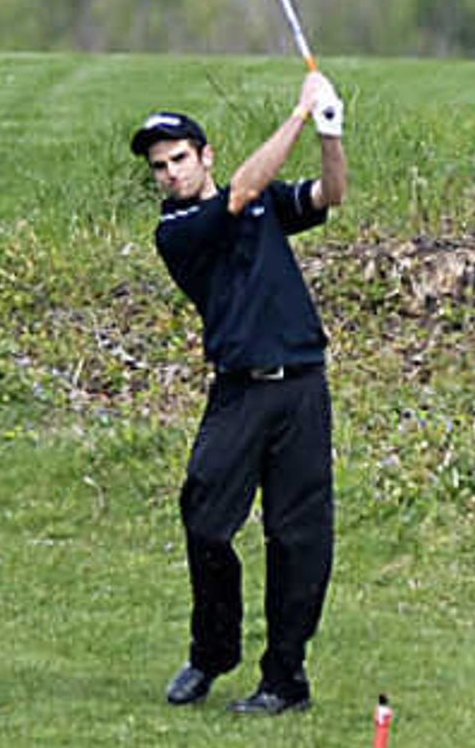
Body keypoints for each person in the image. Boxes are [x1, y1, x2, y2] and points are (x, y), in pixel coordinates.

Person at [132, 67, 346, 715]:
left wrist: (330, 131)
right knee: (205, 517)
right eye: (159, 166)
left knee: (298, 536)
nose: (169, 173)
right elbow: (244, 189)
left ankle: (285, 681)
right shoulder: (178, 229)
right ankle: (211, 653)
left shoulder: (260, 202)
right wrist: (298, 116)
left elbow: (328, 195)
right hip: (240, 393)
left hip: (302, 387)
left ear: (205, 157)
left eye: (178, 159)